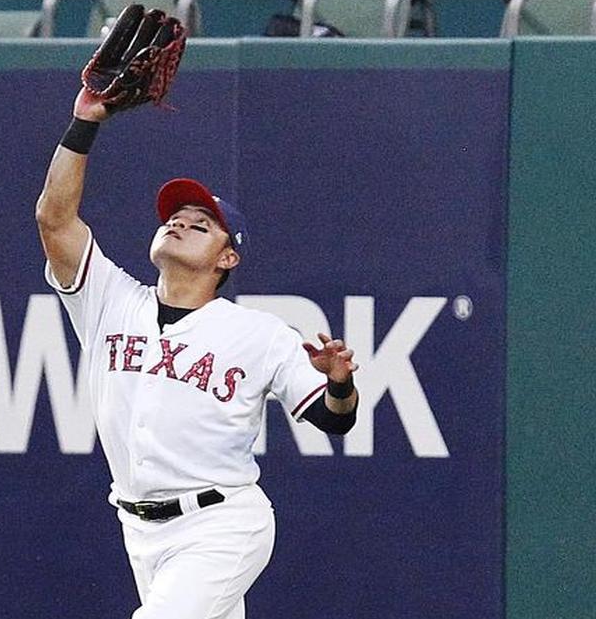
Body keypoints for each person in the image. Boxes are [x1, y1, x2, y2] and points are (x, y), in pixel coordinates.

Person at [34, 86, 361, 619]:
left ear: (227, 257)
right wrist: (84, 122)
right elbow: (55, 219)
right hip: (140, 530)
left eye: (201, 224)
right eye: (174, 218)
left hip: (222, 525)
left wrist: (340, 383)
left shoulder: (259, 334)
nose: (180, 223)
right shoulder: (109, 300)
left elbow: (334, 418)